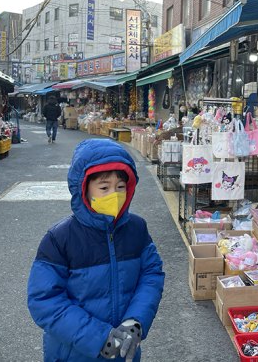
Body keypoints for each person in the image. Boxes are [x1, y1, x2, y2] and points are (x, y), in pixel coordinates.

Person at [27, 139, 165, 361]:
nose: (115, 194)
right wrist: (99, 338)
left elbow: (151, 275)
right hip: (73, 354)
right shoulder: (60, 239)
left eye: (121, 187)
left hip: (124, 350)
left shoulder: (137, 229)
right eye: (104, 187)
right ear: (83, 187)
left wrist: (136, 321)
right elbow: (45, 300)